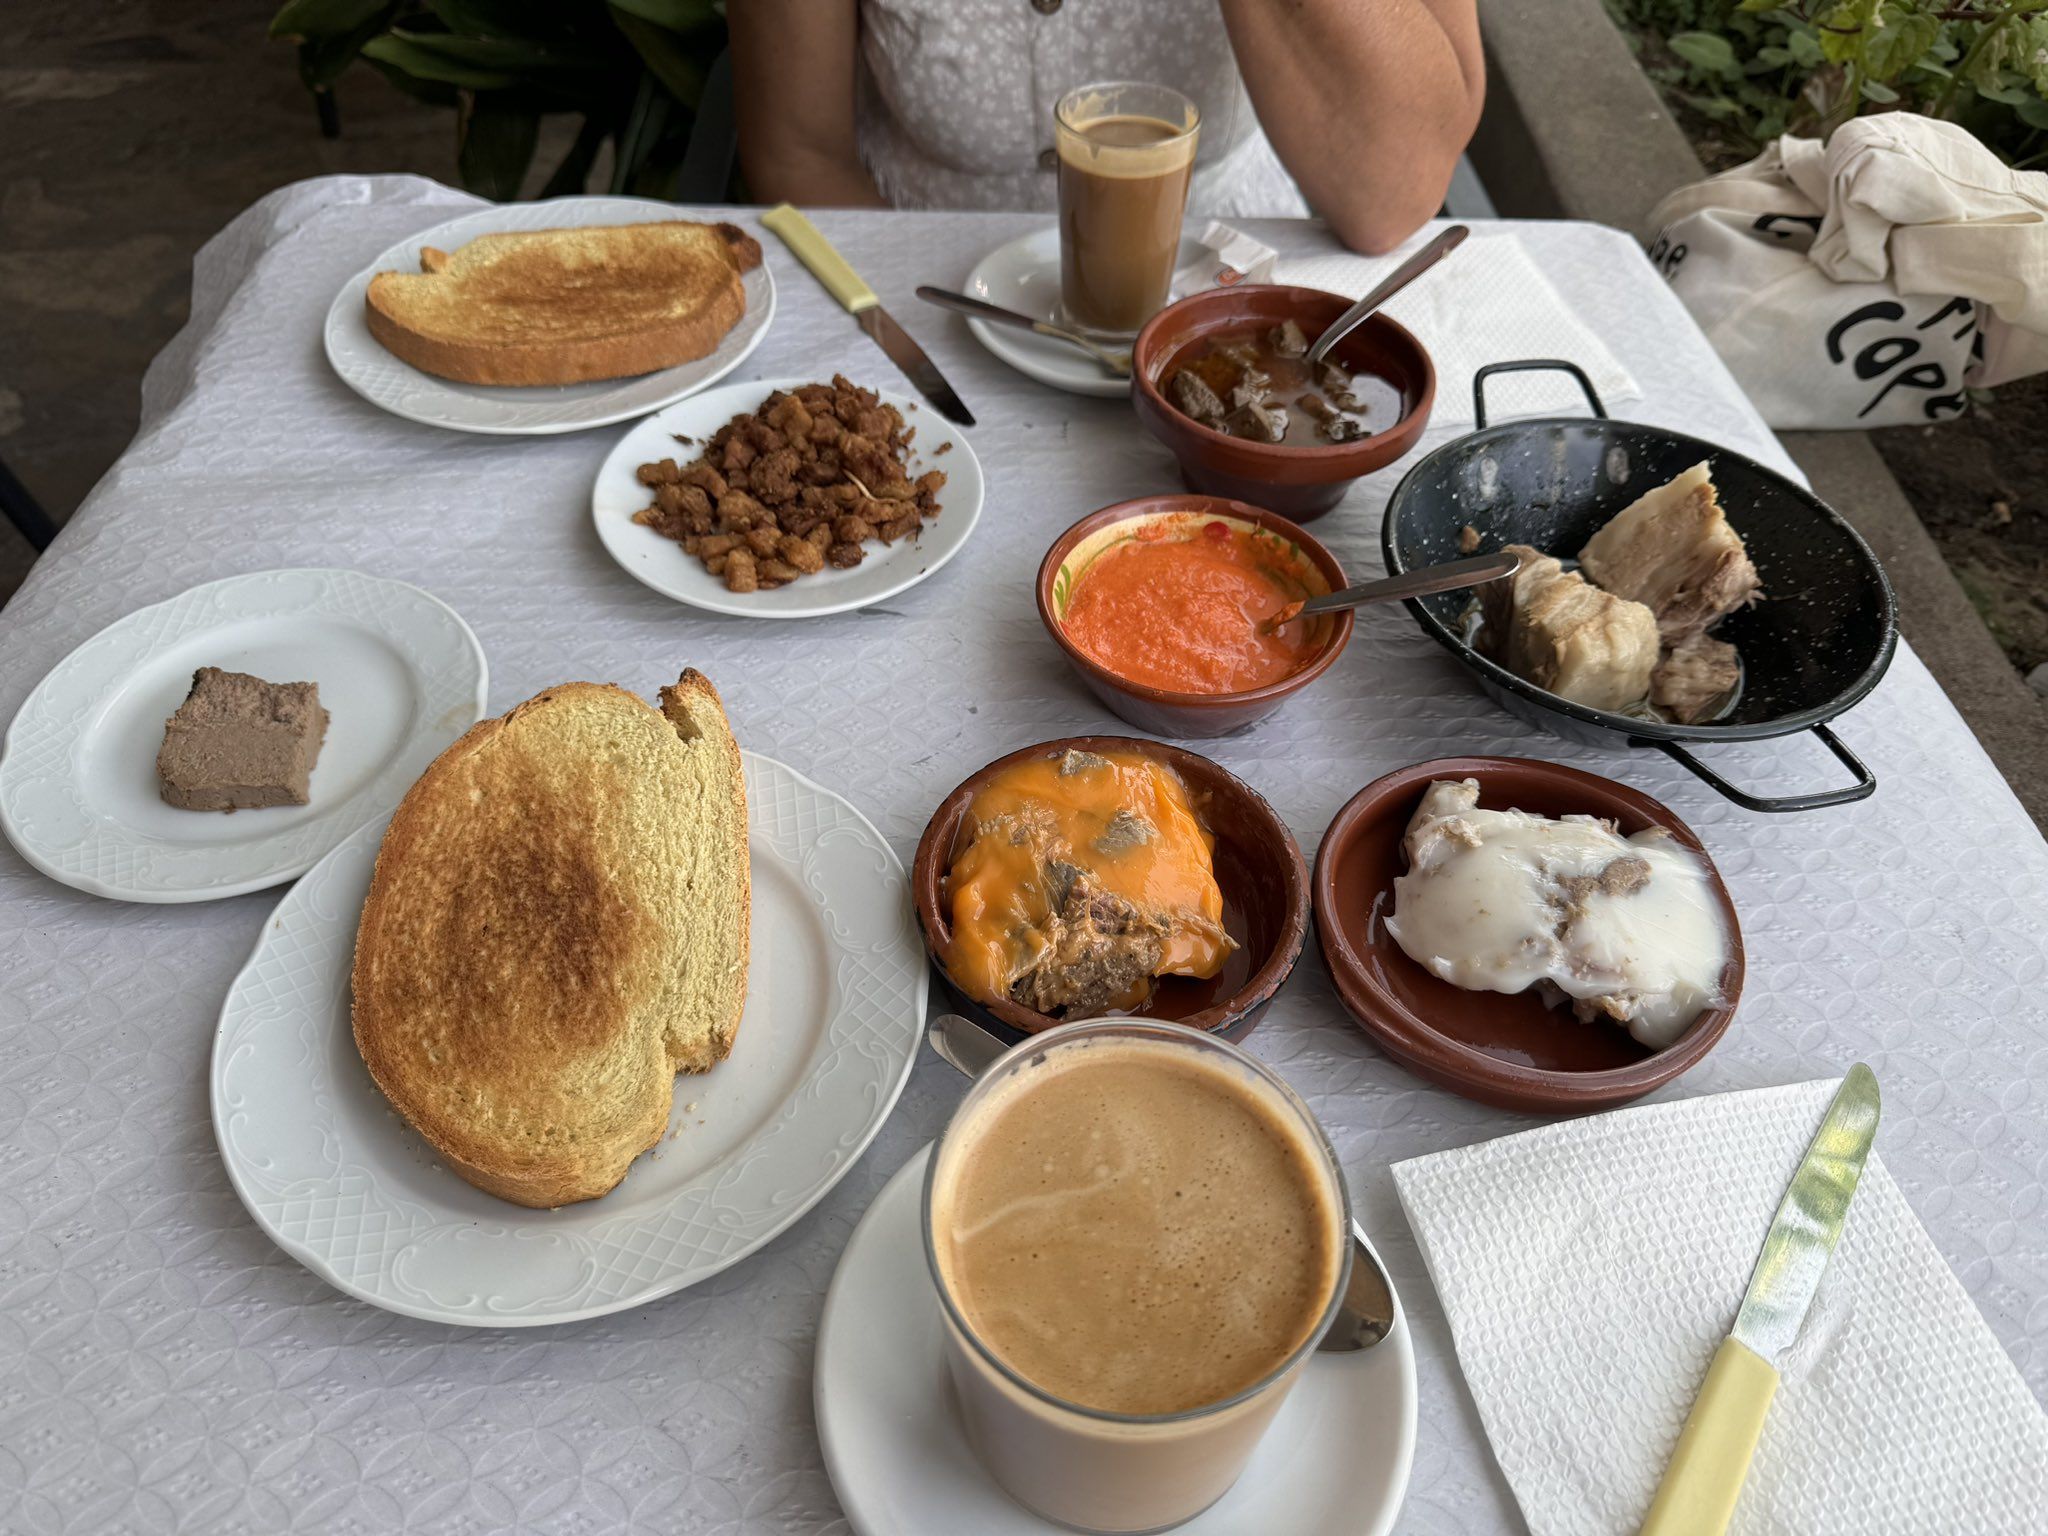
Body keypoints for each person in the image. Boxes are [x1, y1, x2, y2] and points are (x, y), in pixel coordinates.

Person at [729, 0, 1484, 254]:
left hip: (1237, 301)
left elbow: (1392, 194)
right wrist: (911, 326)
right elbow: (799, 153)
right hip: (921, 287)